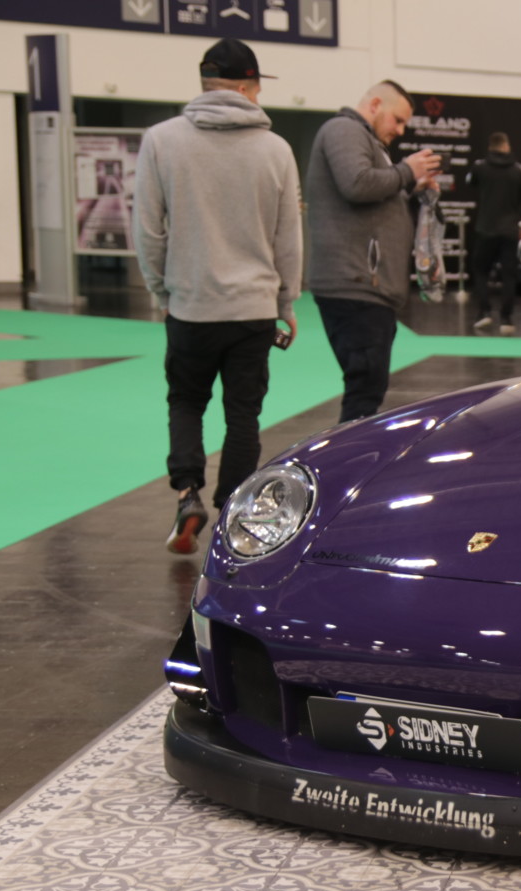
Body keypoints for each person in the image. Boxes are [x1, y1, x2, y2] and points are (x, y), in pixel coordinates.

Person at [134, 38, 301, 554]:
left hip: (190, 305)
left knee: (186, 401)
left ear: (206, 84)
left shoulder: (160, 141)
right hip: (253, 309)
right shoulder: (276, 150)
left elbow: (147, 230)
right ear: (249, 87)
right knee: (242, 415)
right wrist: (286, 302)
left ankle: (188, 493)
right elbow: (288, 238)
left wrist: (161, 289)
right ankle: (232, 514)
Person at [305, 80, 440, 422]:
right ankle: (350, 455)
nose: (400, 130)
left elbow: (372, 200)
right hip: (356, 285)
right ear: (376, 104)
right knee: (364, 390)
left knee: (366, 389)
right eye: (398, 120)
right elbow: (357, 184)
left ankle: (351, 452)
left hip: (365, 286)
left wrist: (411, 186)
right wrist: (407, 171)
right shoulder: (344, 130)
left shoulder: (364, 139)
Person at [467, 131, 521, 333]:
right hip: (509, 230)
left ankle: (484, 312)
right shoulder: (519, 170)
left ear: (490, 147)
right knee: (509, 275)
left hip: (486, 228)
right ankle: (506, 319)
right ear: (506, 146)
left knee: (481, 270)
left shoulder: (480, 167)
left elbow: (470, 182)